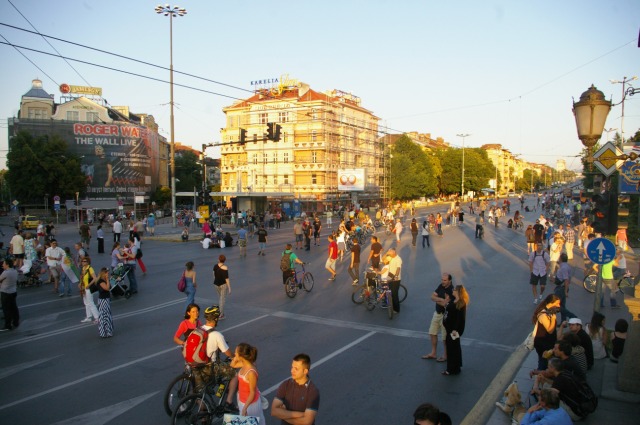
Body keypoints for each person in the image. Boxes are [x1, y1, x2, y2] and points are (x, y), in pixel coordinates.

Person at [195, 305, 238, 410]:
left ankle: (203, 416)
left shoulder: (198, 329)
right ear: (215, 319)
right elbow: (227, 353)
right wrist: (235, 357)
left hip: (196, 366)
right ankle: (229, 402)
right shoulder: (216, 335)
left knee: (199, 392)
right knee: (234, 374)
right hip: (210, 368)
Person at [271, 353, 320, 425]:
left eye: (296, 369)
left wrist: (283, 414)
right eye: (292, 367)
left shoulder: (312, 391)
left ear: (305, 371)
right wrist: (302, 414)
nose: (292, 371)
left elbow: (307, 422)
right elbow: (274, 411)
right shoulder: (286, 385)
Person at [230, 343, 265, 423]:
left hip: (251, 405)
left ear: (241, 356)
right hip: (242, 401)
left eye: (236, 352)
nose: (234, 353)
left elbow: (252, 392)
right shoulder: (244, 364)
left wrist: (245, 408)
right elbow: (232, 365)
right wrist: (235, 358)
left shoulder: (251, 372)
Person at [437, 285, 468, 375]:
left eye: (454, 290)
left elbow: (460, 319)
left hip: (453, 331)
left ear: (458, 291)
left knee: (452, 348)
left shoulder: (461, 303)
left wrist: (455, 330)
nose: (453, 290)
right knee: (453, 347)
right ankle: (455, 366)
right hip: (449, 329)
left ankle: (451, 369)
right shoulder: (453, 300)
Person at [423, 273, 454, 361]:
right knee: (432, 332)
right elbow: (432, 297)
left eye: (445, 280)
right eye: (442, 280)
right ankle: (433, 353)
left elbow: (445, 304)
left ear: (449, 281)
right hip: (437, 313)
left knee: (444, 337)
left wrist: (437, 300)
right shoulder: (441, 286)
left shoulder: (451, 290)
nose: (442, 282)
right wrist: (441, 299)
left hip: (445, 316)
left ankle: (445, 355)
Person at [532, 294, 560, 371]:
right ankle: (538, 377)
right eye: (557, 303)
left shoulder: (549, 312)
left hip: (548, 343)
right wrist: (553, 318)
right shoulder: (543, 314)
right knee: (543, 363)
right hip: (543, 344)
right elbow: (550, 330)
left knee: (546, 363)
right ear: (551, 303)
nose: (558, 306)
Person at [377, 247, 402, 313]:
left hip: (396, 279)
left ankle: (396, 309)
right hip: (389, 277)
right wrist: (386, 253)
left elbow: (398, 268)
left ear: (394, 252)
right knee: (390, 293)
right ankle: (391, 306)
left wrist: (396, 276)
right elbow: (383, 260)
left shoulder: (398, 259)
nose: (389, 255)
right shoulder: (391, 257)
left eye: (390, 253)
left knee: (394, 294)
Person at [553, 253, 576, 323]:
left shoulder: (564, 268)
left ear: (561, 259)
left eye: (559, 258)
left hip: (561, 288)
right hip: (561, 287)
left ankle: (571, 316)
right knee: (562, 305)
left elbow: (566, 280)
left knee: (556, 305)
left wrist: (565, 291)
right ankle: (563, 321)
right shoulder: (565, 266)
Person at [0, 258, 19, 331]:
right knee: (14, 308)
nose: (3, 265)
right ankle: (15, 322)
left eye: (4, 263)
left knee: (6, 309)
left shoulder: (5, 272)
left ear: (7, 264)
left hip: (5, 292)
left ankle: (7, 325)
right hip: (13, 291)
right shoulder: (14, 271)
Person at [79, 257, 99, 324]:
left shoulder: (90, 268)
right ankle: (89, 317)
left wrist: (89, 285)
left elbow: (95, 278)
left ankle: (97, 317)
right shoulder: (83, 268)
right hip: (84, 287)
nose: (83, 262)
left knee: (90, 302)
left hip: (88, 288)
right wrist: (80, 284)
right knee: (86, 303)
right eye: (82, 261)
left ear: (88, 262)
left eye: (84, 261)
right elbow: (82, 278)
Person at [96, 267, 113, 338]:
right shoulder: (100, 281)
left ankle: (108, 331)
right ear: (104, 273)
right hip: (103, 300)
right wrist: (107, 280)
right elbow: (107, 288)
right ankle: (104, 331)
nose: (108, 274)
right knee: (104, 315)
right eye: (107, 273)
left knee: (107, 315)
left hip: (106, 299)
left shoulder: (103, 280)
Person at [213, 255, 230, 319]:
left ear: (218, 259)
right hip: (223, 284)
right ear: (224, 260)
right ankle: (221, 314)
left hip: (216, 284)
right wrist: (229, 287)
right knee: (222, 299)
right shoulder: (225, 267)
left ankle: (220, 311)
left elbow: (213, 275)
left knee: (220, 298)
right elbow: (226, 278)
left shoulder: (215, 266)